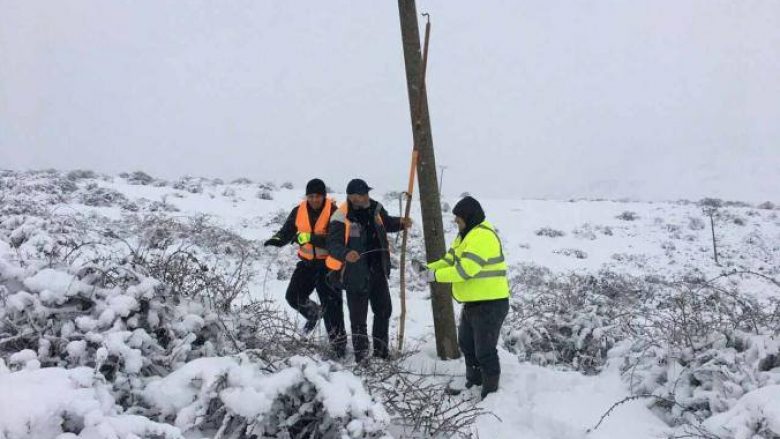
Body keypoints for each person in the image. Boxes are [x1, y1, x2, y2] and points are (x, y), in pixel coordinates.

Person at [424, 196, 509, 399]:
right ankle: (474, 381)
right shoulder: (465, 235)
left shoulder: (482, 236)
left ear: (470, 217)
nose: (456, 222)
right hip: (473, 303)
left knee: (485, 350)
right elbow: (449, 260)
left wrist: (435, 276)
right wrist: (428, 269)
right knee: (467, 344)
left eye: (458, 218)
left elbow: (465, 270)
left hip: (491, 304)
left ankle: (490, 392)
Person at [325, 178, 410, 362]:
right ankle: (362, 358)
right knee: (358, 321)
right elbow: (332, 244)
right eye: (362, 194)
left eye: (366, 193)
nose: (366, 197)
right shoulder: (340, 216)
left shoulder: (376, 209)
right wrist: (346, 253)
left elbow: (387, 224)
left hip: (378, 271)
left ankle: (381, 353)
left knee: (384, 311)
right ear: (352, 197)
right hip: (355, 275)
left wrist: (402, 223)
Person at [264, 178, 346, 357]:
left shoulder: (334, 212)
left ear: (324, 196)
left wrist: (310, 237)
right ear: (307, 196)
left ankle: (339, 348)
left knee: (332, 309)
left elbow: (336, 241)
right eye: (311, 196)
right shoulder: (298, 211)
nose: (314, 199)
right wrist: (276, 240)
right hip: (307, 264)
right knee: (293, 296)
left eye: (318, 196)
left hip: (328, 266)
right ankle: (314, 314)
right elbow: (287, 231)